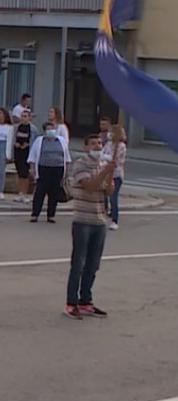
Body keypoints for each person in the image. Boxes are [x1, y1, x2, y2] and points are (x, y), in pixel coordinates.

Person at [63, 134, 114, 320]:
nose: (98, 146)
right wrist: (104, 172)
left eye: (100, 143)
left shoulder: (102, 164)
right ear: (86, 147)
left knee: (93, 264)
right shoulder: (80, 164)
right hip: (83, 219)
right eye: (93, 143)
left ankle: (86, 301)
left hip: (99, 220)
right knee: (79, 263)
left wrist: (109, 173)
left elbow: (109, 190)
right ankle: (71, 302)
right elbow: (90, 186)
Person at [29, 120, 71, 223]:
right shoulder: (39, 141)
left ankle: (51, 215)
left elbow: (67, 157)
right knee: (40, 192)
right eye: (48, 129)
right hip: (44, 168)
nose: (51, 131)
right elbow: (33, 156)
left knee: (54, 193)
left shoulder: (61, 141)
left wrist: (67, 173)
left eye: (52, 129)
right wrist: (32, 168)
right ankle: (35, 214)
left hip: (58, 169)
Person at [103, 125, 127, 231]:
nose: (109, 134)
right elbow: (102, 154)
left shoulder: (121, 146)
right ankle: (103, 215)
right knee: (103, 196)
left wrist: (107, 158)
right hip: (106, 173)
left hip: (116, 175)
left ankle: (114, 220)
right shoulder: (108, 144)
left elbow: (117, 160)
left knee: (113, 197)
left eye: (111, 132)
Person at [13, 111, 38, 198]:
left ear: (29, 117)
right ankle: (20, 192)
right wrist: (15, 144)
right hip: (18, 152)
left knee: (25, 173)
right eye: (22, 116)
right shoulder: (16, 127)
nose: (23, 118)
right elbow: (13, 138)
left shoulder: (33, 129)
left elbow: (35, 141)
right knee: (19, 173)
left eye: (25, 116)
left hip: (27, 153)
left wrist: (28, 145)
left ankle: (24, 193)